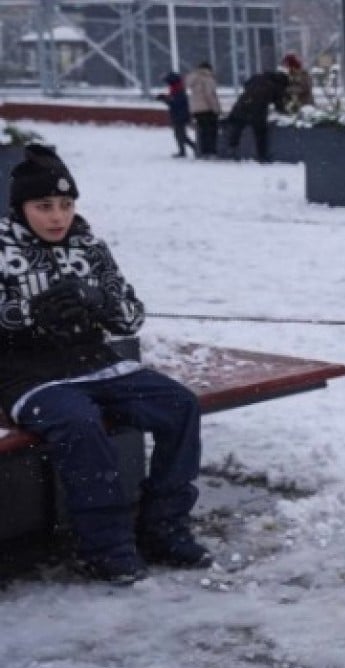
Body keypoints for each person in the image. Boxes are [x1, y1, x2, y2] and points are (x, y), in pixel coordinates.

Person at [0, 144, 208, 585]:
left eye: (66, 204)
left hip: (97, 362)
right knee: (80, 424)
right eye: (44, 206)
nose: (57, 216)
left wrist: (100, 301)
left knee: (179, 406)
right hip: (28, 373)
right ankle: (107, 547)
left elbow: (131, 317)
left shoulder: (90, 245)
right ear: (21, 208)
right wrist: (28, 314)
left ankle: (164, 527)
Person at [223, 70, 289, 162]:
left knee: (238, 126)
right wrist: (286, 113)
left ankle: (232, 148)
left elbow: (246, 85)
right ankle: (262, 155)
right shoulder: (276, 86)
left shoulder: (258, 77)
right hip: (258, 109)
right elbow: (278, 104)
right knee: (261, 133)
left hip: (243, 104)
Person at [155, 71, 197, 158]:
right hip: (180, 114)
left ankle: (194, 148)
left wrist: (164, 98)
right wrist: (165, 98)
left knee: (180, 135)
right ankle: (185, 150)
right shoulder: (177, 88)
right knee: (179, 134)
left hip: (180, 115)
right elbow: (174, 101)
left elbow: (174, 103)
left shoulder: (178, 90)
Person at [185, 61, 221, 158]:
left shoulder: (194, 78)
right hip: (207, 108)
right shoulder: (207, 78)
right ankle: (211, 151)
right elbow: (209, 95)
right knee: (211, 131)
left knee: (203, 131)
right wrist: (216, 108)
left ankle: (203, 151)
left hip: (196, 109)